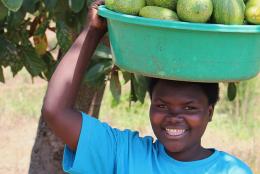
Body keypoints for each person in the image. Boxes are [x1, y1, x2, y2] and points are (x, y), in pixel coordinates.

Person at [41, 0, 253, 173]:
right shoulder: (124, 154)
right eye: (162, 106)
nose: (174, 116)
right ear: (150, 106)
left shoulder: (231, 171)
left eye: (189, 108)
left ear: (210, 112)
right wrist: (93, 31)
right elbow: (56, 111)